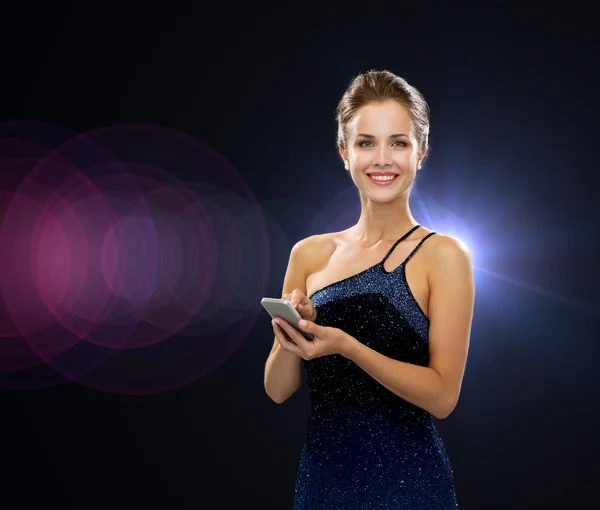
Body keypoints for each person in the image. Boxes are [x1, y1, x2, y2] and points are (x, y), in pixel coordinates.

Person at [263, 69, 474, 509]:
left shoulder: (444, 255)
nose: (383, 159)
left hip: (410, 487)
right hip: (321, 483)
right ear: (344, 152)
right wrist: (292, 335)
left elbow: (442, 397)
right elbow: (278, 389)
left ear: (421, 152)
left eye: (399, 142)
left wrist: (346, 346)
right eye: (366, 143)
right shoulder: (308, 254)